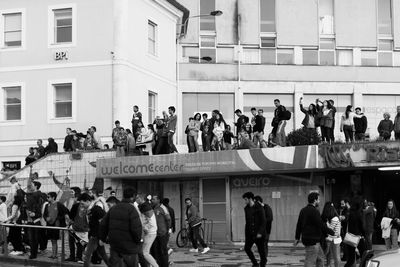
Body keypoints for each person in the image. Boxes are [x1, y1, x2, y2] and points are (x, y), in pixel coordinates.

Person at [100, 187, 142, 267]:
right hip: (129, 247)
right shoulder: (132, 209)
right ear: (133, 196)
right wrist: (138, 241)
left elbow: (103, 224)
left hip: (115, 245)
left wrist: (103, 238)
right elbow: (136, 228)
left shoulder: (113, 208)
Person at [294, 192, 334, 267]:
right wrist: (331, 232)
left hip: (311, 239)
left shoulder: (303, 210)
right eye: (318, 200)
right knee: (310, 262)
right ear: (315, 200)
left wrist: (297, 237)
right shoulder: (314, 211)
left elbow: (298, 224)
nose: (319, 201)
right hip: (312, 240)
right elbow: (321, 224)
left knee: (320, 258)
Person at [83, 192, 110, 267]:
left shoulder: (96, 209)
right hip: (95, 235)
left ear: (88, 201)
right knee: (104, 255)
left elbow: (104, 221)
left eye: (83, 204)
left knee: (87, 255)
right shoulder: (91, 210)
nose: (82, 206)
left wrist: (102, 236)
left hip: (95, 236)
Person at [242, 192, 266, 267]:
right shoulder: (246, 208)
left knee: (261, 251)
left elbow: (263, 221)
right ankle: (255, 263)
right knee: (247, 248)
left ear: (250, 199)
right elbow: (247, 222)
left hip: (259, 233)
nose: (245, 201)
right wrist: (246, 234)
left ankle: (263, 263)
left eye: (246, 199)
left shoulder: (259, 207)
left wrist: (260, 232)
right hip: (250, 233)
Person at [66, 193, 91, 263]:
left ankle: (77, 257)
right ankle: (74, 257)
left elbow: (71, 216)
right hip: (76, 227)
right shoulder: (77, 205)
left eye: (73, 194)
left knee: (79, 244)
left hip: (81, 228)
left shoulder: (88, 207)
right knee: (74, 243)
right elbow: (71, 215)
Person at [44, 192, 69, 259]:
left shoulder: (59, 205)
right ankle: (53, 254)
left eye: (48, 197)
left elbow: (65, 212)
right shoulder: (47, 205)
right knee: (52, 240)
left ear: (53, 197)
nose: (47, 198)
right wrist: (46, 218)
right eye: (47, 197)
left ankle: (55, 254)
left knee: (55, 240)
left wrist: (58, 219)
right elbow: (44, 214)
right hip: (49, 225)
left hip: (56, 225)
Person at [344, 197, 366, 267]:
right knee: (363, 255)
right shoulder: (359, 214)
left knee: (351, 259)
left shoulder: (350, 213)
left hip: (350, 237)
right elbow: (362, 226)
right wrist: (364, 234)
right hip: (358, 237)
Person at [151, 195, 172, 267]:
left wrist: (167, 229)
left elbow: (168, 219)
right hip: (155, 233)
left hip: (162, 233)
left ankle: (165, 265)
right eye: (152, 199)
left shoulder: (163, 208)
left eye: (154, 199)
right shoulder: (153, 208)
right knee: (156, 251)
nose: (152, 201)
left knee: (163, 251)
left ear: (158, 200)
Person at [321, 202, 341, 267]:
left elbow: (330, 229)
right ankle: (328, 265)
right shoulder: (333, 218)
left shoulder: (335, 218)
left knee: (336, 256)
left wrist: (326, 223)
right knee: (329, 254)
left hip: (335, 240)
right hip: (332, 239)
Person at [139, 202, 159, 267]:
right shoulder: (149, 212)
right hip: (150, 233)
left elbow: (152, 224)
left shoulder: (148, 213)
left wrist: (144, 228)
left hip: (150, 233)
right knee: (146, 251)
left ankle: (155, 266)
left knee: (145, 253)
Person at [254, 196, 273, 261]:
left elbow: (270, 218)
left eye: (255, 202)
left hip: (266, 230)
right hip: (259, 230)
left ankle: (264, 259)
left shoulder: (267, 207)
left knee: (264, 244)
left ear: (258, 201)